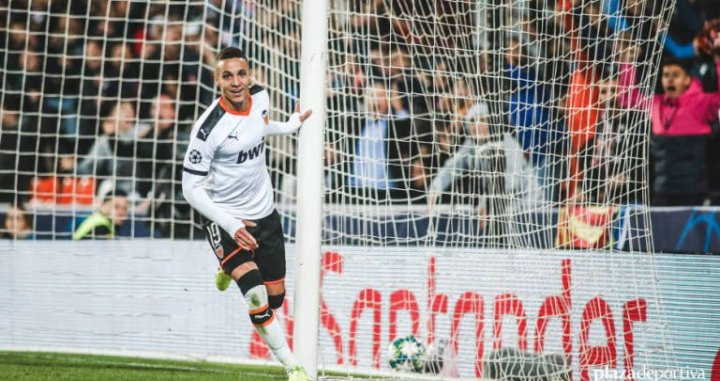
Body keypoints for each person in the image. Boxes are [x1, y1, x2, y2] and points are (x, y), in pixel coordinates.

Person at [181, 47, 311, 381]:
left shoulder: (261, 96)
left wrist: (290, 126)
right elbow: (190, 189)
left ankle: (226, 268)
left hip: (264, 215)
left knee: (275, 299)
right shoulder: (207, 130)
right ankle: (292, 366)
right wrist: (229, 223)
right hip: (224, 218)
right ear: (217, 80)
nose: (236, 82)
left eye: (241, 74)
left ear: (250, 75)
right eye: (227, 76)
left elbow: (260, 129)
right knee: (254, 293)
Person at [620, 54, 720, 205]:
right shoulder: (655, 103)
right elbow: (627, 98)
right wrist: (627, 61)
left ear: (687, 80)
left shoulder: (701, 102)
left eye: (675, 75)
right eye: (666, 75)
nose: (670, 79)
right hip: (663, 190)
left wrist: (718, 61)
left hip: (694, 192)